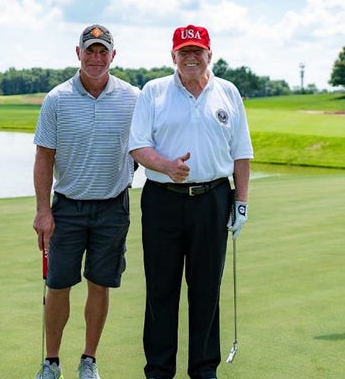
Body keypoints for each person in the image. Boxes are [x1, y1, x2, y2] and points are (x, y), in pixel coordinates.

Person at [128, 24, 253, 379]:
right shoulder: (154, 92)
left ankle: (203, 369)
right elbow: (137, 145)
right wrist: (167, 166)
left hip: (212, 199)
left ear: (210, 55)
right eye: (184, 52)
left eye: (198, 51)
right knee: (161, 290)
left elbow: (241, 153)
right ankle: (159, 370)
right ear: (173, 57)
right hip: (162, 202)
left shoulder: (227, 92)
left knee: (206, 290)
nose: (191, 57)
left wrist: (240, 202)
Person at [32, 24, 140, 379]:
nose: (96, 58)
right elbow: (44, 157)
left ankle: (88, 359)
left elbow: (143, 147)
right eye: (89, 50)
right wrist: (43, 211)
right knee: (58, 285)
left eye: (102, 51)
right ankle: (51, 361)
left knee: (100, 283)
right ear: (77, 53)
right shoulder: (57, 99)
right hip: (67, 207)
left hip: (113, 207)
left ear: (113, 55)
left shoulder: (133, 97)